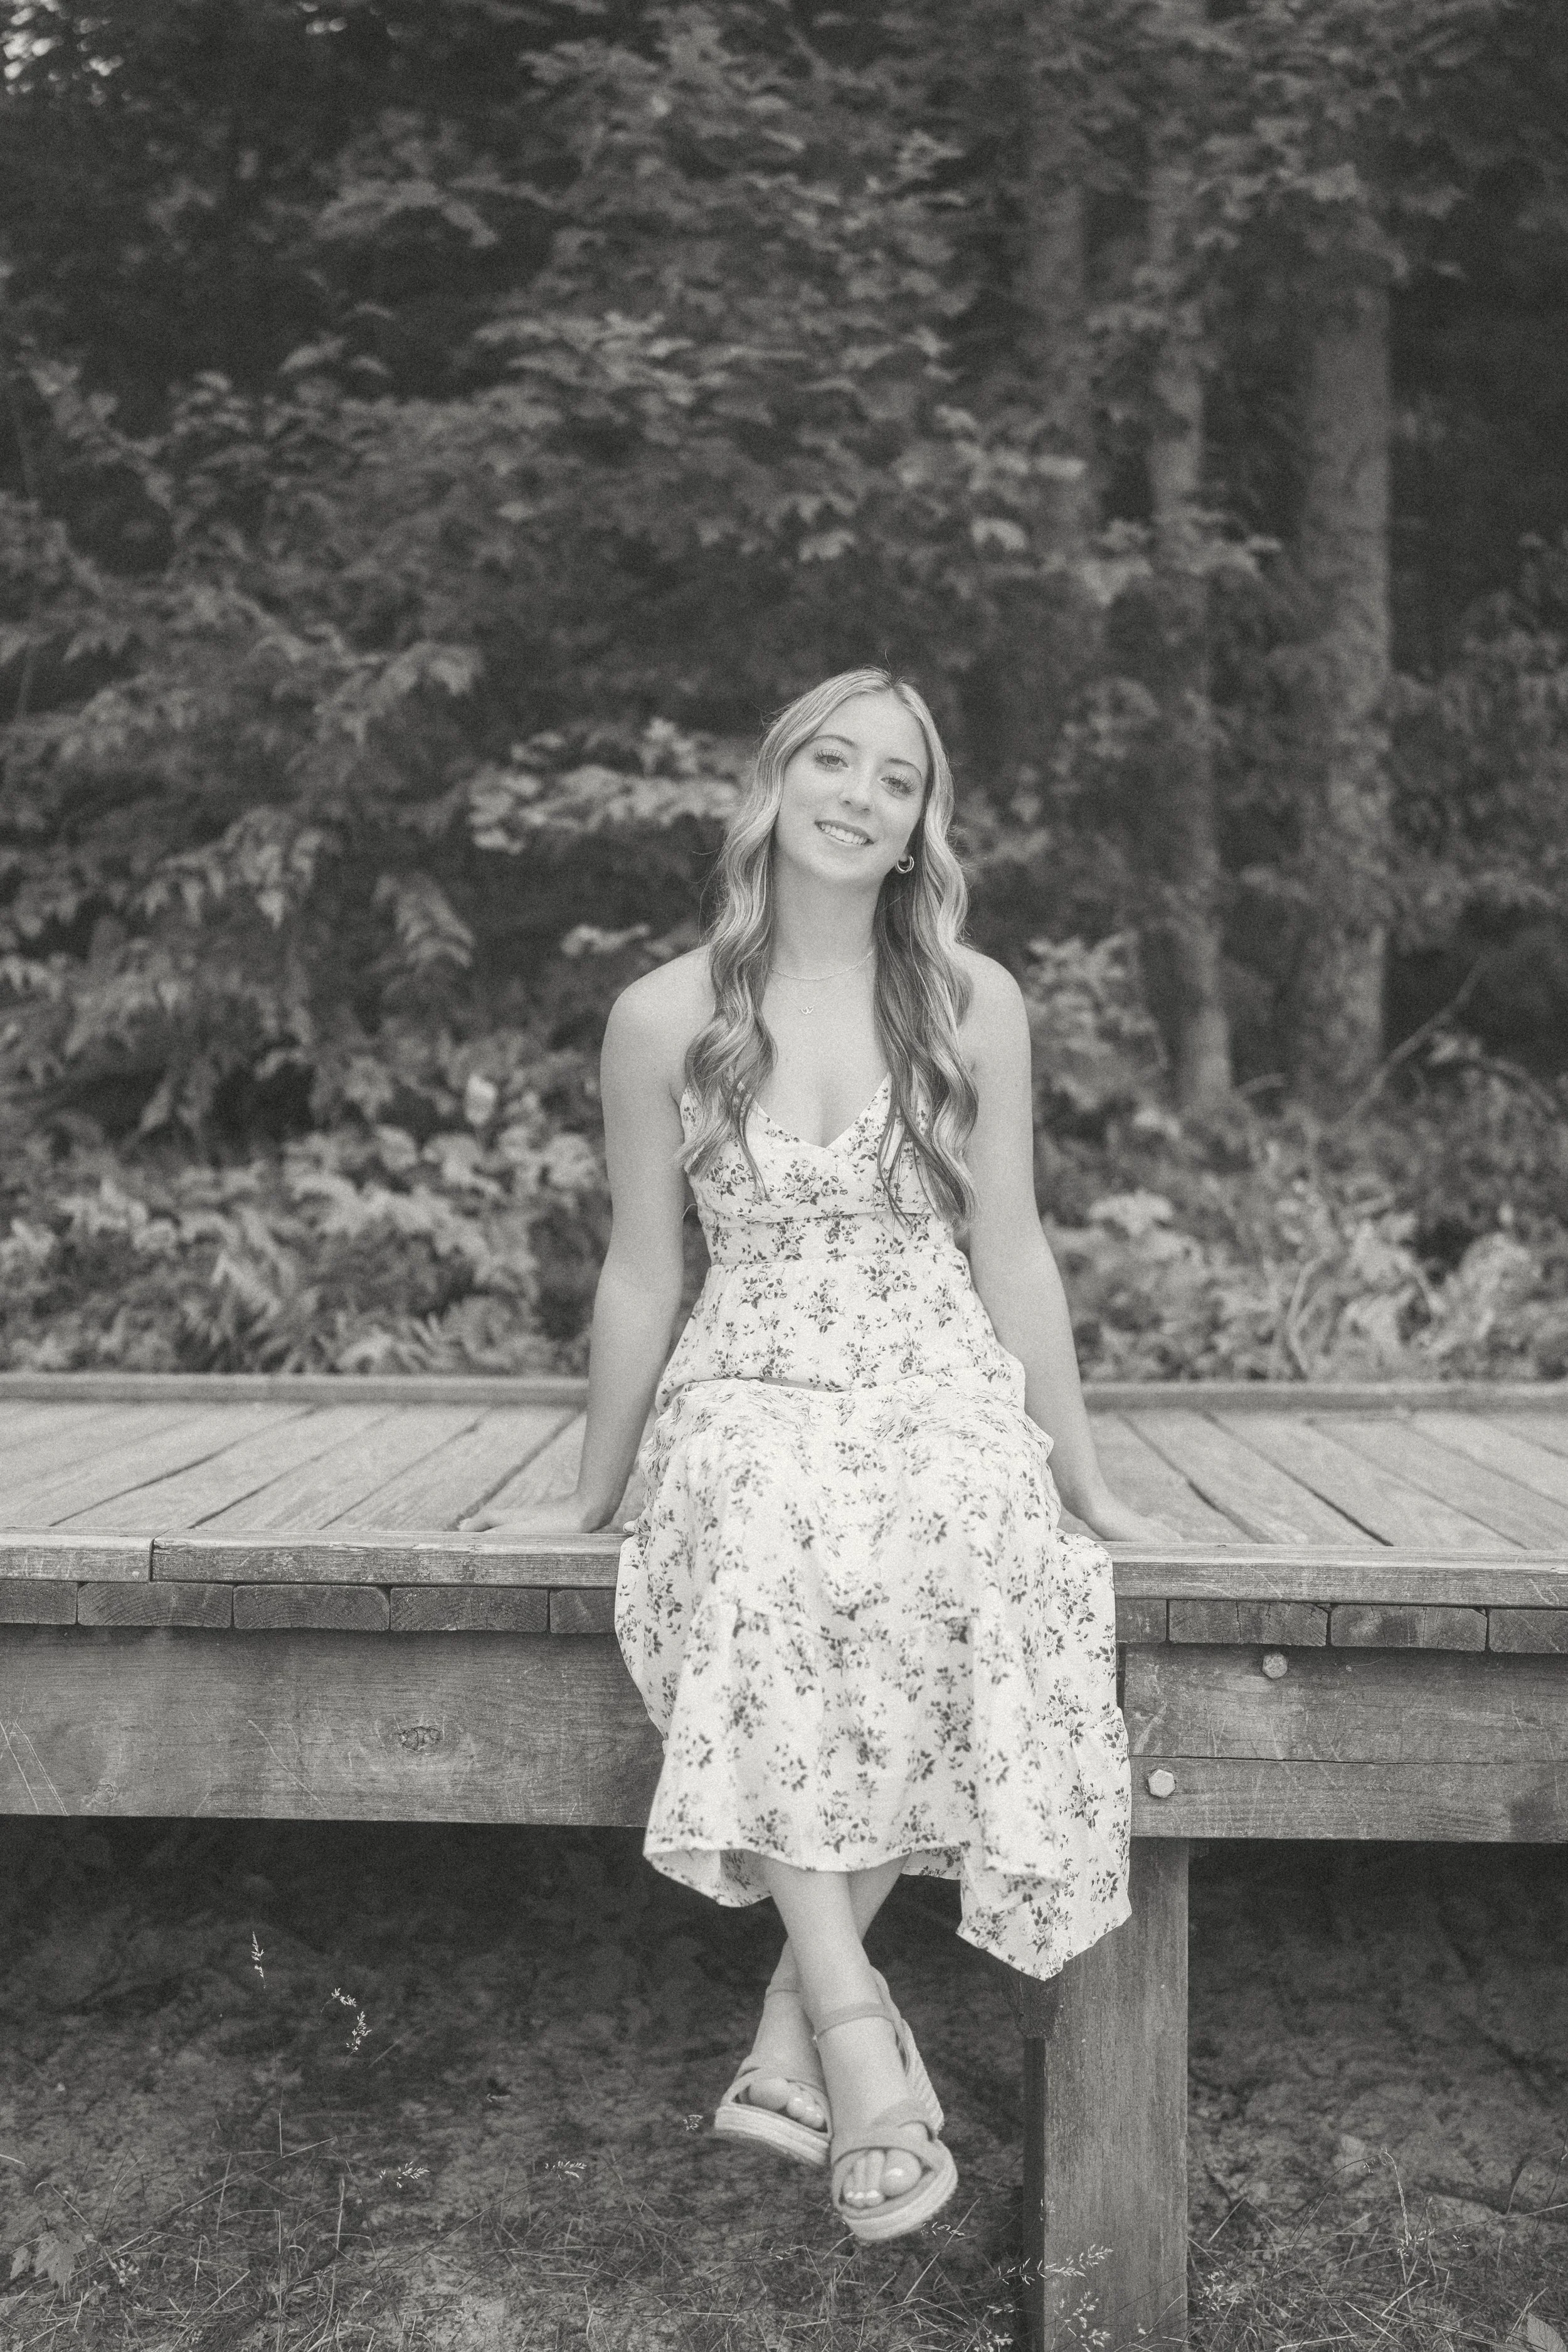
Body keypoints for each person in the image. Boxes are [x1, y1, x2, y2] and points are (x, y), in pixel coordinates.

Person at [464, 668, 1162, 2242]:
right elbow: (645, 1271)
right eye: (830, 761)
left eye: (895, 779)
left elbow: (1016, 1253)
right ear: (773, 787)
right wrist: (597, 1484)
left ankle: (801, 2030)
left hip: (934, 1375)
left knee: (973, 1539)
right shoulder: (662, 1014)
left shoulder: (971, 999)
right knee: (774, 1533)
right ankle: (856, 2037)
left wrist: (1083, 1476)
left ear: (923, 825)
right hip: (753, 1380)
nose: (859, 794)